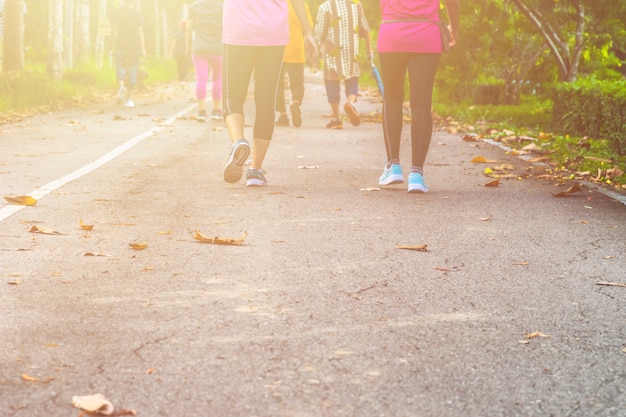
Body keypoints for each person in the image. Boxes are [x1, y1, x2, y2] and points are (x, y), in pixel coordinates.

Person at [221, 0, 318, 187]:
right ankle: (255, 170)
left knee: (231, 96)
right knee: (266, 100)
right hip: (273, 33)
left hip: (238, 30)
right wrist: (307, 32)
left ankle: (239, 142)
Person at [377, 0, 459, 193]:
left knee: (392, 98)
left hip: (392, 32)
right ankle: (417, 174)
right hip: (426, 34)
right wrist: (455, 28)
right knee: (421, 104)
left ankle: (393, 166)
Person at [315, 0, 373, 129]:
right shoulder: (356, 4)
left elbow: (319, 34)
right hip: (352, 49)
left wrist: (316, 50)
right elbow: (365, 29)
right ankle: (350, 103)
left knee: (331, 80)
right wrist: (370, 50)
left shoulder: (325, 7)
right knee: (352, 77)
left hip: (332, 50)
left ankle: (336, 118)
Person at [275, 0, 314, 128]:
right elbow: (308, 26)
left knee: (277, 84)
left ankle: (283, 115)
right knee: (297, 82)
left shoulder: (276, 5)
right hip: (296, 47)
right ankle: (296, 103)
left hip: (278, 47)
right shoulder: (303, 6)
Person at [186, 0, 223, 122]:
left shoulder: (195, 6)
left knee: (201, 79)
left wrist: (188, 47)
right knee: (217, 79)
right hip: (219, 48)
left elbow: (189, 29)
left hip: (199, 48)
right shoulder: (223, 6)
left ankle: (201, 111)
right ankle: (216, 110)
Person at [110, 0, 147, 108]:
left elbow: (113, 30)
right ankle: (129, 99)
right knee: (132, 70)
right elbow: (140, 31)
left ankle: (121, 86)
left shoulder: (116, 12)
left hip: (120, 44)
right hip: (134, 46)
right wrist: (143, 48)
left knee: (120, 67)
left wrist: (111, 44)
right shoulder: (137, 14)